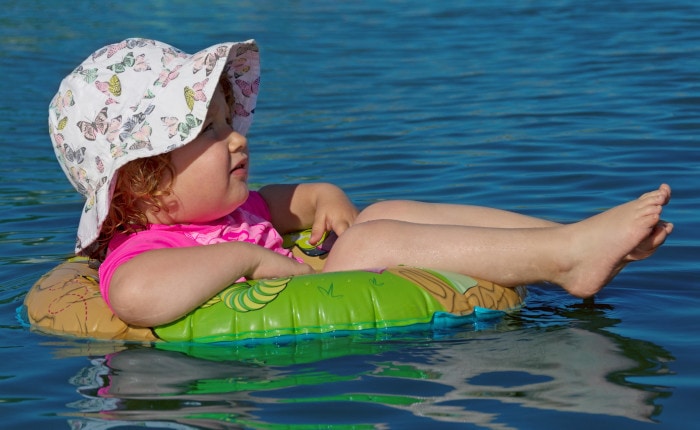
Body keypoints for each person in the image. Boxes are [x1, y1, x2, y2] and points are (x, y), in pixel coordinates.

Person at [49, 38, 673, 327]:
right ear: (145, 184)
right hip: (286, 365)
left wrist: (332, 204)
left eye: (226, 122)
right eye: (206, 132)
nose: (236, 138)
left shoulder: (240, 209)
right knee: (368, 245)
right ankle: (567, 259)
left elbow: (308, 197)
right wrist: (247, 259)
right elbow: (135, 297)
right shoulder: (144, 251)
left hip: (318, 292)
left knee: (381, 212)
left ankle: (571, 237)